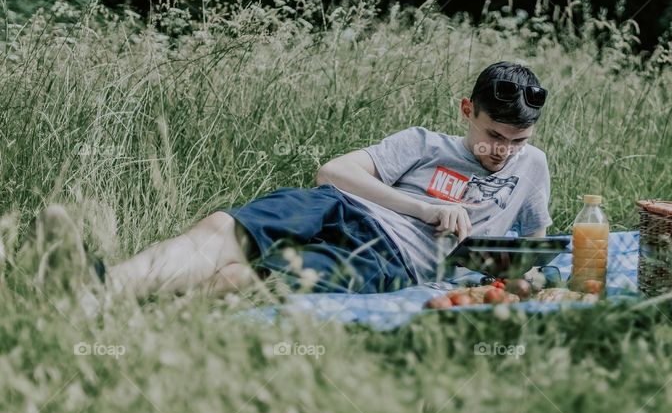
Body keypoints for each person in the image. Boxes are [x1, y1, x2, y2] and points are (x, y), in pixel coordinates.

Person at [23, 62, 553, 298]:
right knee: (218, 230)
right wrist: (424, 208)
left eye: (516, 141)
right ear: (467, 110)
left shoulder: (533, 168)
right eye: (492, 135)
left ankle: (124, 309)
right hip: (334, 206)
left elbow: (535, 243)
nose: (501, 152)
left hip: (386, 259)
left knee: (243, 280)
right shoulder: (422, 143)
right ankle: (93, 290)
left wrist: (528, 277)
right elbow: (333, 173)